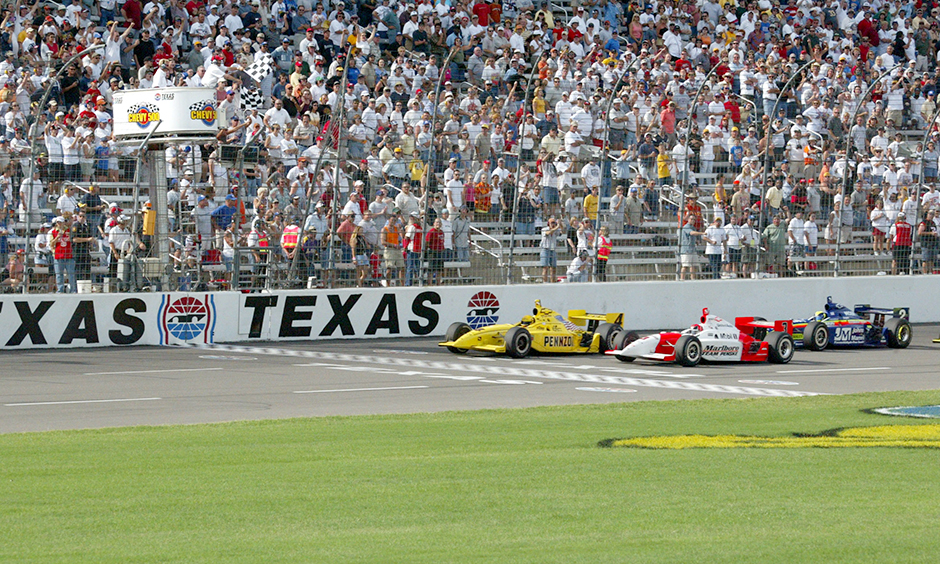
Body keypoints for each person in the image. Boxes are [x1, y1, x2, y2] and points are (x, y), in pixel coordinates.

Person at [49, 216, 76, 294]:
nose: (60, 224)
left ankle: (73, 290)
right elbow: (51, 244)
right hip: (58, 255)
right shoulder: (53, 232)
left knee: (71, 274)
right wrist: (57, 237)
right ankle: (60, 290)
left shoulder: (69, 230)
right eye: (58, 222)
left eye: (61, 222)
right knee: (59, 274)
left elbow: (73, 240)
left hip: (68, 255)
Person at [678, 215, 704, 280]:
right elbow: (692, 233)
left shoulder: (693, 227)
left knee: (693, 265)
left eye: (694, 219)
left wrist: (697, 241)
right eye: (691, 219)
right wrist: (702, 233)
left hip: (692, 249)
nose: (693, 221)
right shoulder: (686, 227)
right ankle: (682, 279)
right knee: (685, 266)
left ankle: (693, 279)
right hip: (686, 250)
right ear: (688, 219)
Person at [540, 216, 562, 283]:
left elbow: (562, 232)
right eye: (552, 222)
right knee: (545, 267)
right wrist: (557, 227)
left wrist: (560, 224)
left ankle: (553, 282)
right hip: (545, 249)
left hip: (553, 249)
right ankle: (545, 282)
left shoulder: (556, 230)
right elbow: (548, 233)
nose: (553, 224)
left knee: (553, 268)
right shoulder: (544, 229)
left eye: (554, 222)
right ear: (548, 223)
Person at [918, 210, 938, 275]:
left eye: (933, 214)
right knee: (925, 260)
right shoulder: (924, 222)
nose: (931, 215)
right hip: (926, 243)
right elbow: (920, 232)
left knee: (932, 260)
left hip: (933, 243)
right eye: (930, 213)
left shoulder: (933, 223)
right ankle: (925, 272)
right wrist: (930, 233)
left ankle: (930, 272)